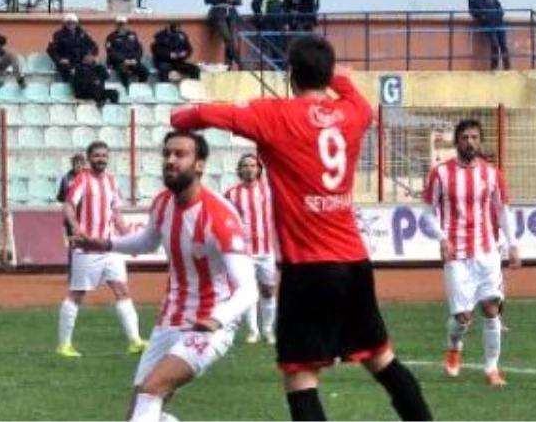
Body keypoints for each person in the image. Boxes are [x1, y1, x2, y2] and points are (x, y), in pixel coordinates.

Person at [172, 35, 432, 422]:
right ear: (326, 74)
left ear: (291, 74)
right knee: (382, 360)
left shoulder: (275, 114)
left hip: (308, 267)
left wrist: (182, 119)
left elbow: (214, 115)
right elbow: (349, 90)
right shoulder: (354, 112)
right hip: (354, 263)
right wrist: (336, 76)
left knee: (301, 374)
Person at [72, 130, 257, 422]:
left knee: (152, 390)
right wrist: (106, 243)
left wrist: (216, 320)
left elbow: (248, 289)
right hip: (169, 320)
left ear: (200, 165)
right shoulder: (162, 203)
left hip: (207, 325)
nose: (170, 160)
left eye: (180, 155)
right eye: (167, 154)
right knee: (138, 410)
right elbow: (147, 242)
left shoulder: (220, 216)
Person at [421, 119, 520, 387]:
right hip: (456, 254)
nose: (470, 142)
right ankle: (454, 346)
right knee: (462, 317)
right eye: (465, 137)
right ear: (457, 142)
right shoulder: (440, 174)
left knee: (490, 309)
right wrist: (441, 238)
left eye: (475, 137)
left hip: (487, 252)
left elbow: (502, 211)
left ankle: (491, 369)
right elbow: (427, 214)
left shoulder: (492, 174)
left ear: (481, 140)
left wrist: (513, 243)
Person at [57, 141, 146, 358]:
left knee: (122, 290)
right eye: (97, 155)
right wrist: (77, 228)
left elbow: (115, 213)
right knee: (76, 294)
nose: (101, 159)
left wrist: (129, 239)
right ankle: (63, 345)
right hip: (87, 248)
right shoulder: (82, 180)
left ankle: (135, 341)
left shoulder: (112, 181)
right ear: (89, 158)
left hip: (109, 247)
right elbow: (68, 205)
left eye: (104, 155)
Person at [225, 153, 278, 345]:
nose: (249, 169)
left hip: (266, 249)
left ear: (259, 169)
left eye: (253, 165)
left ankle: (268, 330)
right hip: (243, 252)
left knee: (268, 290)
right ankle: (253, 331)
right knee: (247, 291)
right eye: (245, 165)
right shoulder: (231, 194)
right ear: (239, 170)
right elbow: (225, 221)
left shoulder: (270, 191)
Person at [467, 0, 510, 71]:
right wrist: (483, 18)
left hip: (499, 23)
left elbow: (499, 7)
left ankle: (507, 67)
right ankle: (494, 67)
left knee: (504, 45)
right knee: (495, 45)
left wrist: (500, 14)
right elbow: (473, 12)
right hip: (487, 25)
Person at [204, 0, 242, 68]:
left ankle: (228, 64)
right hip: (218, 13)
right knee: (228, 38)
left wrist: (232, 0)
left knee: (232, 40)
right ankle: (239, 61)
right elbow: (207, 0)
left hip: (232, 14)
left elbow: (239, 1)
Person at [251, 0, 288, 65]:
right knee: (267, 44)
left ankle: (278, 68)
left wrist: (285, 22)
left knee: (280, 45)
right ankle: (268, 67)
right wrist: (260, 18)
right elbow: (255, 4)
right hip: (266, 22)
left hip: (279, 23)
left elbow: (286, 7)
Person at [47, 13, 99, 82]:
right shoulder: (58, 35)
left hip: (81, 61)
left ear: (77, 23)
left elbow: (93, 45)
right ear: (65, 24)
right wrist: (60, 60)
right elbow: (51, 50)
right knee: (74, 76)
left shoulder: (82, 34)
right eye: (69, 23)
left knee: (97, 71)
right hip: (67, 63)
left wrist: (90, 55)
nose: (71, 25)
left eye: (73, 23)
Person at [105, 16, 150, 89]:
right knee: (124, 72)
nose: (121, 26)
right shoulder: (111, 37)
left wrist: (135, 59)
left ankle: (140, 88)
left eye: (123, 24)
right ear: (116, 25)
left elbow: (139, 49)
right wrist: (124, 60)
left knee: (145, 71)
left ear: (126, 24)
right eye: (119, 24)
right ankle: (126, 89)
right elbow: (111, 52)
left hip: (133, 61)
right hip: (119, 62)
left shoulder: (132, 35)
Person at [56, 153, 87, 237]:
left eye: (81, 163)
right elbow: (60, 197)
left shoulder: (89, 177)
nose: (79, 165)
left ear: (84, 164)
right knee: (72, 241)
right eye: (76, 163)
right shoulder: (66, 178)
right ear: (73, 164)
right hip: (71, 215)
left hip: (86, 215)